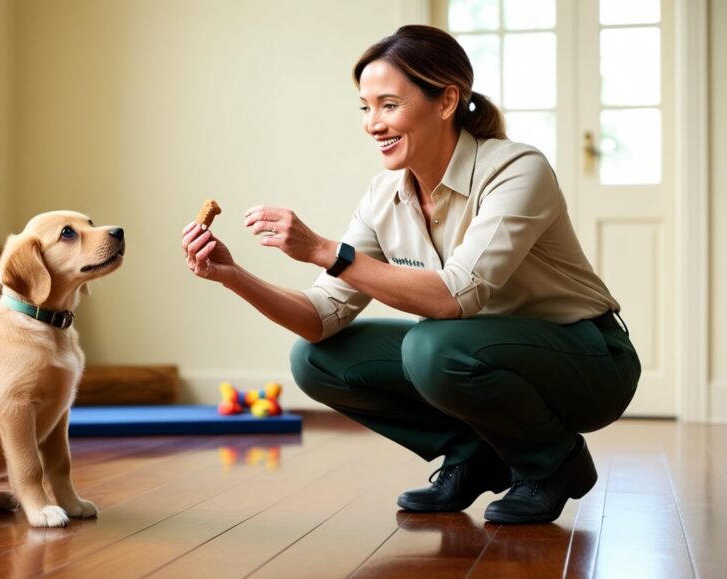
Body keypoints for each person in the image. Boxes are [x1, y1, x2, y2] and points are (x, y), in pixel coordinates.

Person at [180, 24, 640, 525]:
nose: (372, 123)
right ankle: (474, 453)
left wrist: (321, 249)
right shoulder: (384, 195)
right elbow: (319, 318)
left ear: (446, 101)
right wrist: (233, 275)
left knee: (434, 345)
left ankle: (554, 463)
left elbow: (453, 297)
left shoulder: (516, 169)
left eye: (389, 105)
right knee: (315, 359)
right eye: (365, 107)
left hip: (589, 361)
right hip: (479, 356)